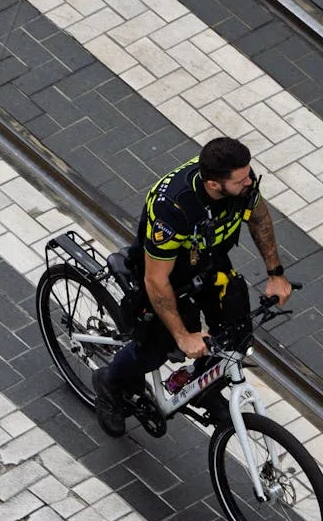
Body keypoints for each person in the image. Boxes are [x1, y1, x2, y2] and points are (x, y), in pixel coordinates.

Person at [93, 137, 292, 437]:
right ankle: (109, 382)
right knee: (156, 349)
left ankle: (204, 389)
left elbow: (259, 218)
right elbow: (155, 280)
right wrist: (183, 336)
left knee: (235, 335)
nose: (250, 182)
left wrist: (275, 273)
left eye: (249, 174)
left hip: (209, 263)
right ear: (214, 185)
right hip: (167, 275)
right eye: (241, 180)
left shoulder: (241, 185)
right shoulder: (174, 208)